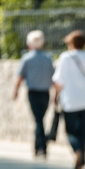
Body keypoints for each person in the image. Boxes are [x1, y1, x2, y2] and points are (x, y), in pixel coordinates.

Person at [51, 30, 85, 169]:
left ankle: (77, 152)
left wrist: (55, 96)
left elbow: (58, 81)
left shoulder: (65, 58)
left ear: (71, 43)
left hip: (70, 101)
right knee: (83, 132)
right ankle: (81, 163)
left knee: (70, 132)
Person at [12, 30, 55, 158]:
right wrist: (57, 93)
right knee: (40, 120)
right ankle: (39, 147)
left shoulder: (27, 58)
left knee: (38, 120)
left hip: (33, 93)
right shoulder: (48, 58)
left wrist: (15, 91)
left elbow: (19, 77)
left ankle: (41, 147)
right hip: (45, 93)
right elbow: (54, 77)